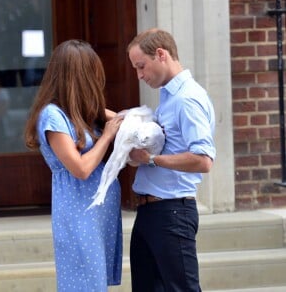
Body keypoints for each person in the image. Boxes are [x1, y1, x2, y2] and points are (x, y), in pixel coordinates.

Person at [24, 39, 123, 292]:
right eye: (91, 73)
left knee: (95, 283)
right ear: (78, 75)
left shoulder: (80, 109)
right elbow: (80, 168)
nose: (96, 80)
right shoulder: (52, 115)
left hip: (96, 212)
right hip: (78, 210)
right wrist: (108, 135)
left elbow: (125, 119)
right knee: (82, 283)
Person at [127, 28, 216, 292]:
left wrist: (151, 159)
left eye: (141, 66)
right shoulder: (169, 97)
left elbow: (203, 160)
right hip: (151, 212)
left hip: (172, 212)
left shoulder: (187, 99)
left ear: (161, 54)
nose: (140, 75)